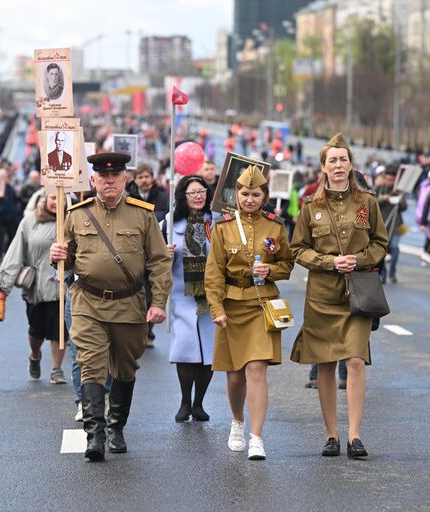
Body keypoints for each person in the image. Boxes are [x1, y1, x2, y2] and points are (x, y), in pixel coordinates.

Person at [49, 152, 172, 462]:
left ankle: (117, 426)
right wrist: (57, 256)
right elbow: (65, 262)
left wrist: (158, 302)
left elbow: (158, 262)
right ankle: (95, 434)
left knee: (125, 367)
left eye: (115, 176)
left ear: (124, 179)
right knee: (90, 364)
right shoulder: (76, 214)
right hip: (87, 301)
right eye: (103, 177)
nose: (109, 181)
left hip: (129, 303)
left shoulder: (143, 215)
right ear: (94, 180)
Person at [290, 133, 388, 458]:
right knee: (326, 364)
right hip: (321, 294)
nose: (338, 165)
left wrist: (359, 260)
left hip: (357, 293)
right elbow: (298, 249)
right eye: (332, 160)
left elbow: (380, 243)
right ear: (323, 166)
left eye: (343, 159)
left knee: (356, 360)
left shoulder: (367, 203)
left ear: (350, 164)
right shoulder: (310, 207)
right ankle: (331, 434)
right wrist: (328, 261)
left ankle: (354, 435)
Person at [204, 165, 294, 461]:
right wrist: (216, 308)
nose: (250, 199)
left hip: (261, 302)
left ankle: (257, 436)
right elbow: (214, 272)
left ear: (265, 196)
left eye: (256, 194)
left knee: (256, 369)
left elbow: (287, 265)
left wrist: (271, 270)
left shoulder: (275, 226)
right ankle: (237, 421)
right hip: (231, 305)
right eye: (244, 193)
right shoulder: (224, 226)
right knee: (235, 376)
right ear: (236, 195)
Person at [0, 193, 67, 385]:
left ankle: (56, 368)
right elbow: (15, 252)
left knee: (60, 329)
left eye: (62, 198)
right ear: (45, 199)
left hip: (62, 286)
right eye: (53, 197)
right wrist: (4, 286)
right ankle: (35, 355)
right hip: (36, 286)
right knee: (37, 330)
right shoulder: (30, 221)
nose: (56, 202)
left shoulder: (73, 220)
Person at [163, 175, 216, 422]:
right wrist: (166, 254)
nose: (198, 196)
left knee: (207, 351)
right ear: (183, 196)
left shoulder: (216, 223)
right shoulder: (169, 223)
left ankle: (199, 404)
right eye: (193, 192)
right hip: (182, 295)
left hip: (211, 295)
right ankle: (185, 401)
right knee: (185, 349)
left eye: (202, 192)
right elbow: (156, 260)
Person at [126, 163, 170, 348]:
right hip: (135, 250)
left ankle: (148, 331)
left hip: (153, 249)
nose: (144, 180)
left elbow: (168, 218)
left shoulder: (162, 196)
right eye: (141, 177)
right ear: (135, 179)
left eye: (147, 176)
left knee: (152, 293)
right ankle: (137, 329)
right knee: (137, 291)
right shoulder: (128, 196)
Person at [375, 165, 406, 284]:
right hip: (381, 224)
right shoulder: (379, 189)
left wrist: (400, 201)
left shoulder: (398, 191)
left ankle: (393, 272)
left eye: (392, 180)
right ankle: (383, 274)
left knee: (394, 248)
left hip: (396, 224)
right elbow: (373, 202)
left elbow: (404, 207)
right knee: (382, 250)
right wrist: (384, 198)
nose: (389, 182)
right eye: (387, 179)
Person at [0, 169, 21, 262]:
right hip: (0, 217)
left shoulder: (11, 188)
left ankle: (7, 252)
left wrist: (18, 195)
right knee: (0, 237)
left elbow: (16, 200)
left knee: (12, 235)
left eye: (4, 177)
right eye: (1, 177)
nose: (3, 179)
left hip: (10, 216)